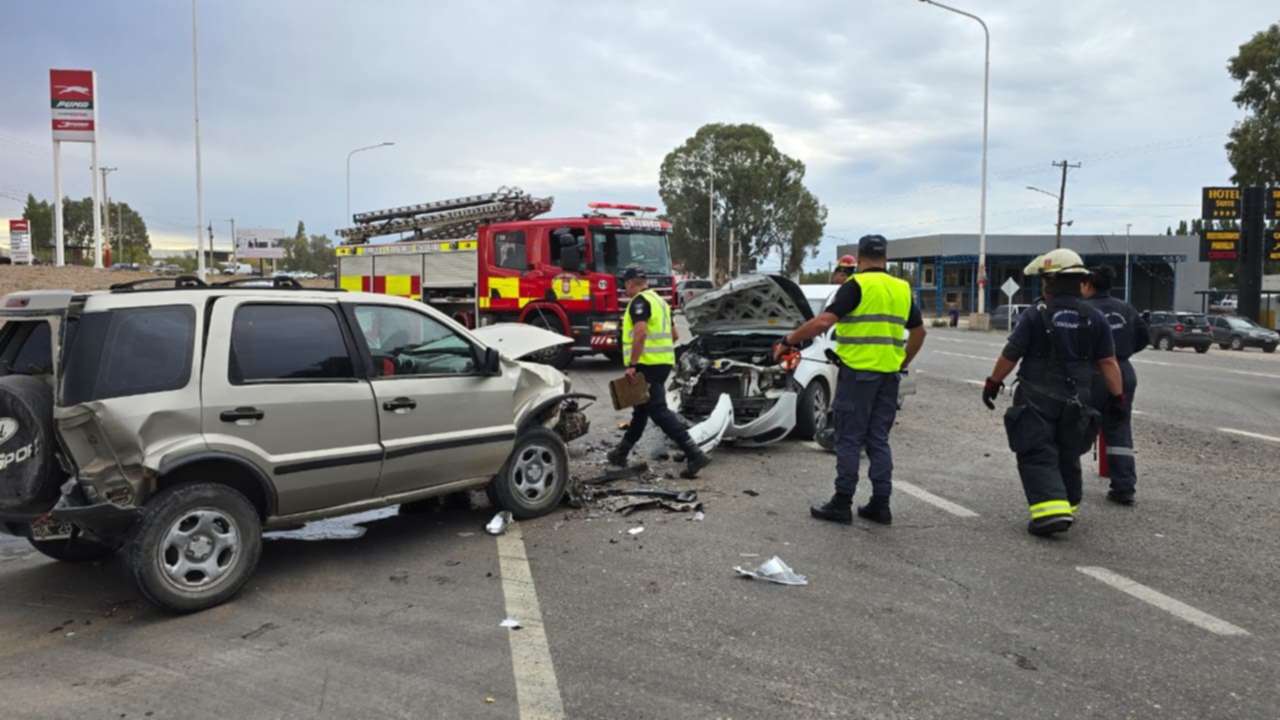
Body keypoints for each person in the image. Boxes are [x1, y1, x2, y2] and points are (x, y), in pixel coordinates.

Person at [774, 234, 927, 525]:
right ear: (885, 258)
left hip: (858, 377)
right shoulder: (901, 288)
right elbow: (919, 333)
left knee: (848, 438)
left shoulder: (856, 285)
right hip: (888, 377)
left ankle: (841, 502)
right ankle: (880, 504)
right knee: (878, 440)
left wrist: (789, 340)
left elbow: (823, 322)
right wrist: (901, 362)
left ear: (860, 256)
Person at [981, 249, 1127, 537]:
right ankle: (1068, 504)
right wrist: (1118, 398)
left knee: (1036, 450)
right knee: (1068, 450)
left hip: (1037, 397)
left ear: (1049, 282)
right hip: (1078, 399)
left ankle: (1051, 511)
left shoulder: (1036, 315)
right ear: (1079, 282)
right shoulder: (1095, 318)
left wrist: (994, 382)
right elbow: (1108, 362)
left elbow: (1011, 353)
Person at [607, 267, 711, 479]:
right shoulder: (661, 303)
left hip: (647, 365)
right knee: (641, 411)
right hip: (662, 363)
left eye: (624, 285)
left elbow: (641, 333)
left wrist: (633, 364)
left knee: (658, 410)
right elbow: (674, 335)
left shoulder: (639, 302)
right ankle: (621, 452)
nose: (624, 289)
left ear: (630, 283)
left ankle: (694, 453)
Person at [1082, 266, 1148, 505]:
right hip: (1123, 371)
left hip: (1092, 373)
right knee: (1119, 428)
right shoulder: (1126, 308)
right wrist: (1124, 351)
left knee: (1075, 426)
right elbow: (1143, 337)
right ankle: (1124, 487)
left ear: (1089, 284)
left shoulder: (1084, 309)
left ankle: (1065, 485)